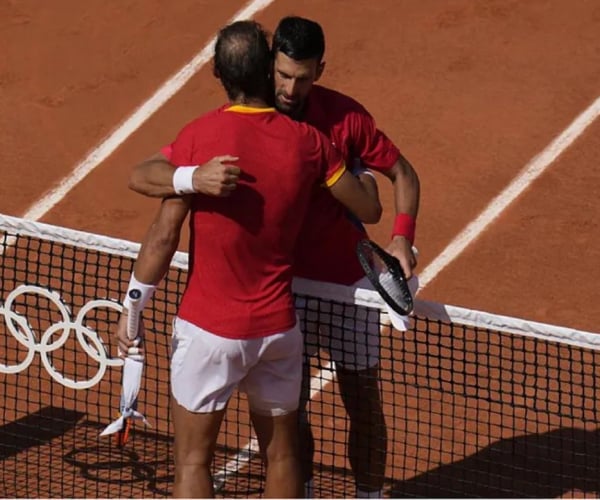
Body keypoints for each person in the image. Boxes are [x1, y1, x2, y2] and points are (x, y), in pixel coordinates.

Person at [127, 16, 420, 498]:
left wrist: (402, 238)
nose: (290, 87)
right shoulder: (295, 139)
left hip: (347, 287)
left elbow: (401, 176)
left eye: (302, 78)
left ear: (319, 71)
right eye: (282, 75)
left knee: (362, 401)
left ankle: (368, 496)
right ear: (268, 69)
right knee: (290, 421)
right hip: (288, 294)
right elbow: (367, 200)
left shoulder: (344, 120)